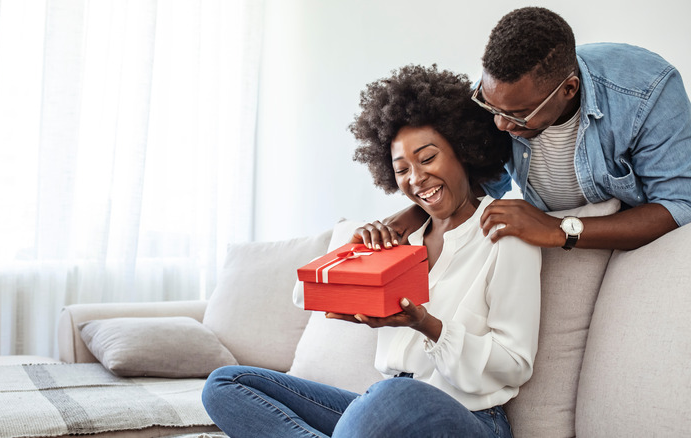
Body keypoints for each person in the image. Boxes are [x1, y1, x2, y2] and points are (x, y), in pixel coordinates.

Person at [202, 65, 541, 438]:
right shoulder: (399, 239)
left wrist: (425, 325)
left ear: (464, 151)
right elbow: (305, 297)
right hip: (379, 413)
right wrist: (351, 252)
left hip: (468, 417)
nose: (415, 179)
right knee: (226, 384)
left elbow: (514, 364)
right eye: (402, 170)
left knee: (394, 393)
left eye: (427, 159)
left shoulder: (505, 235)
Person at [381, 7, 691, 251]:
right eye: (492, 107)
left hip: (644, 248)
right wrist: (417, 212)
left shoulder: (645, 90)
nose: (499, 124)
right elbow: (481, 182)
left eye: (518, 115)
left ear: (568, 90)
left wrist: (560, 230)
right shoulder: (494, 99)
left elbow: (688, 206)